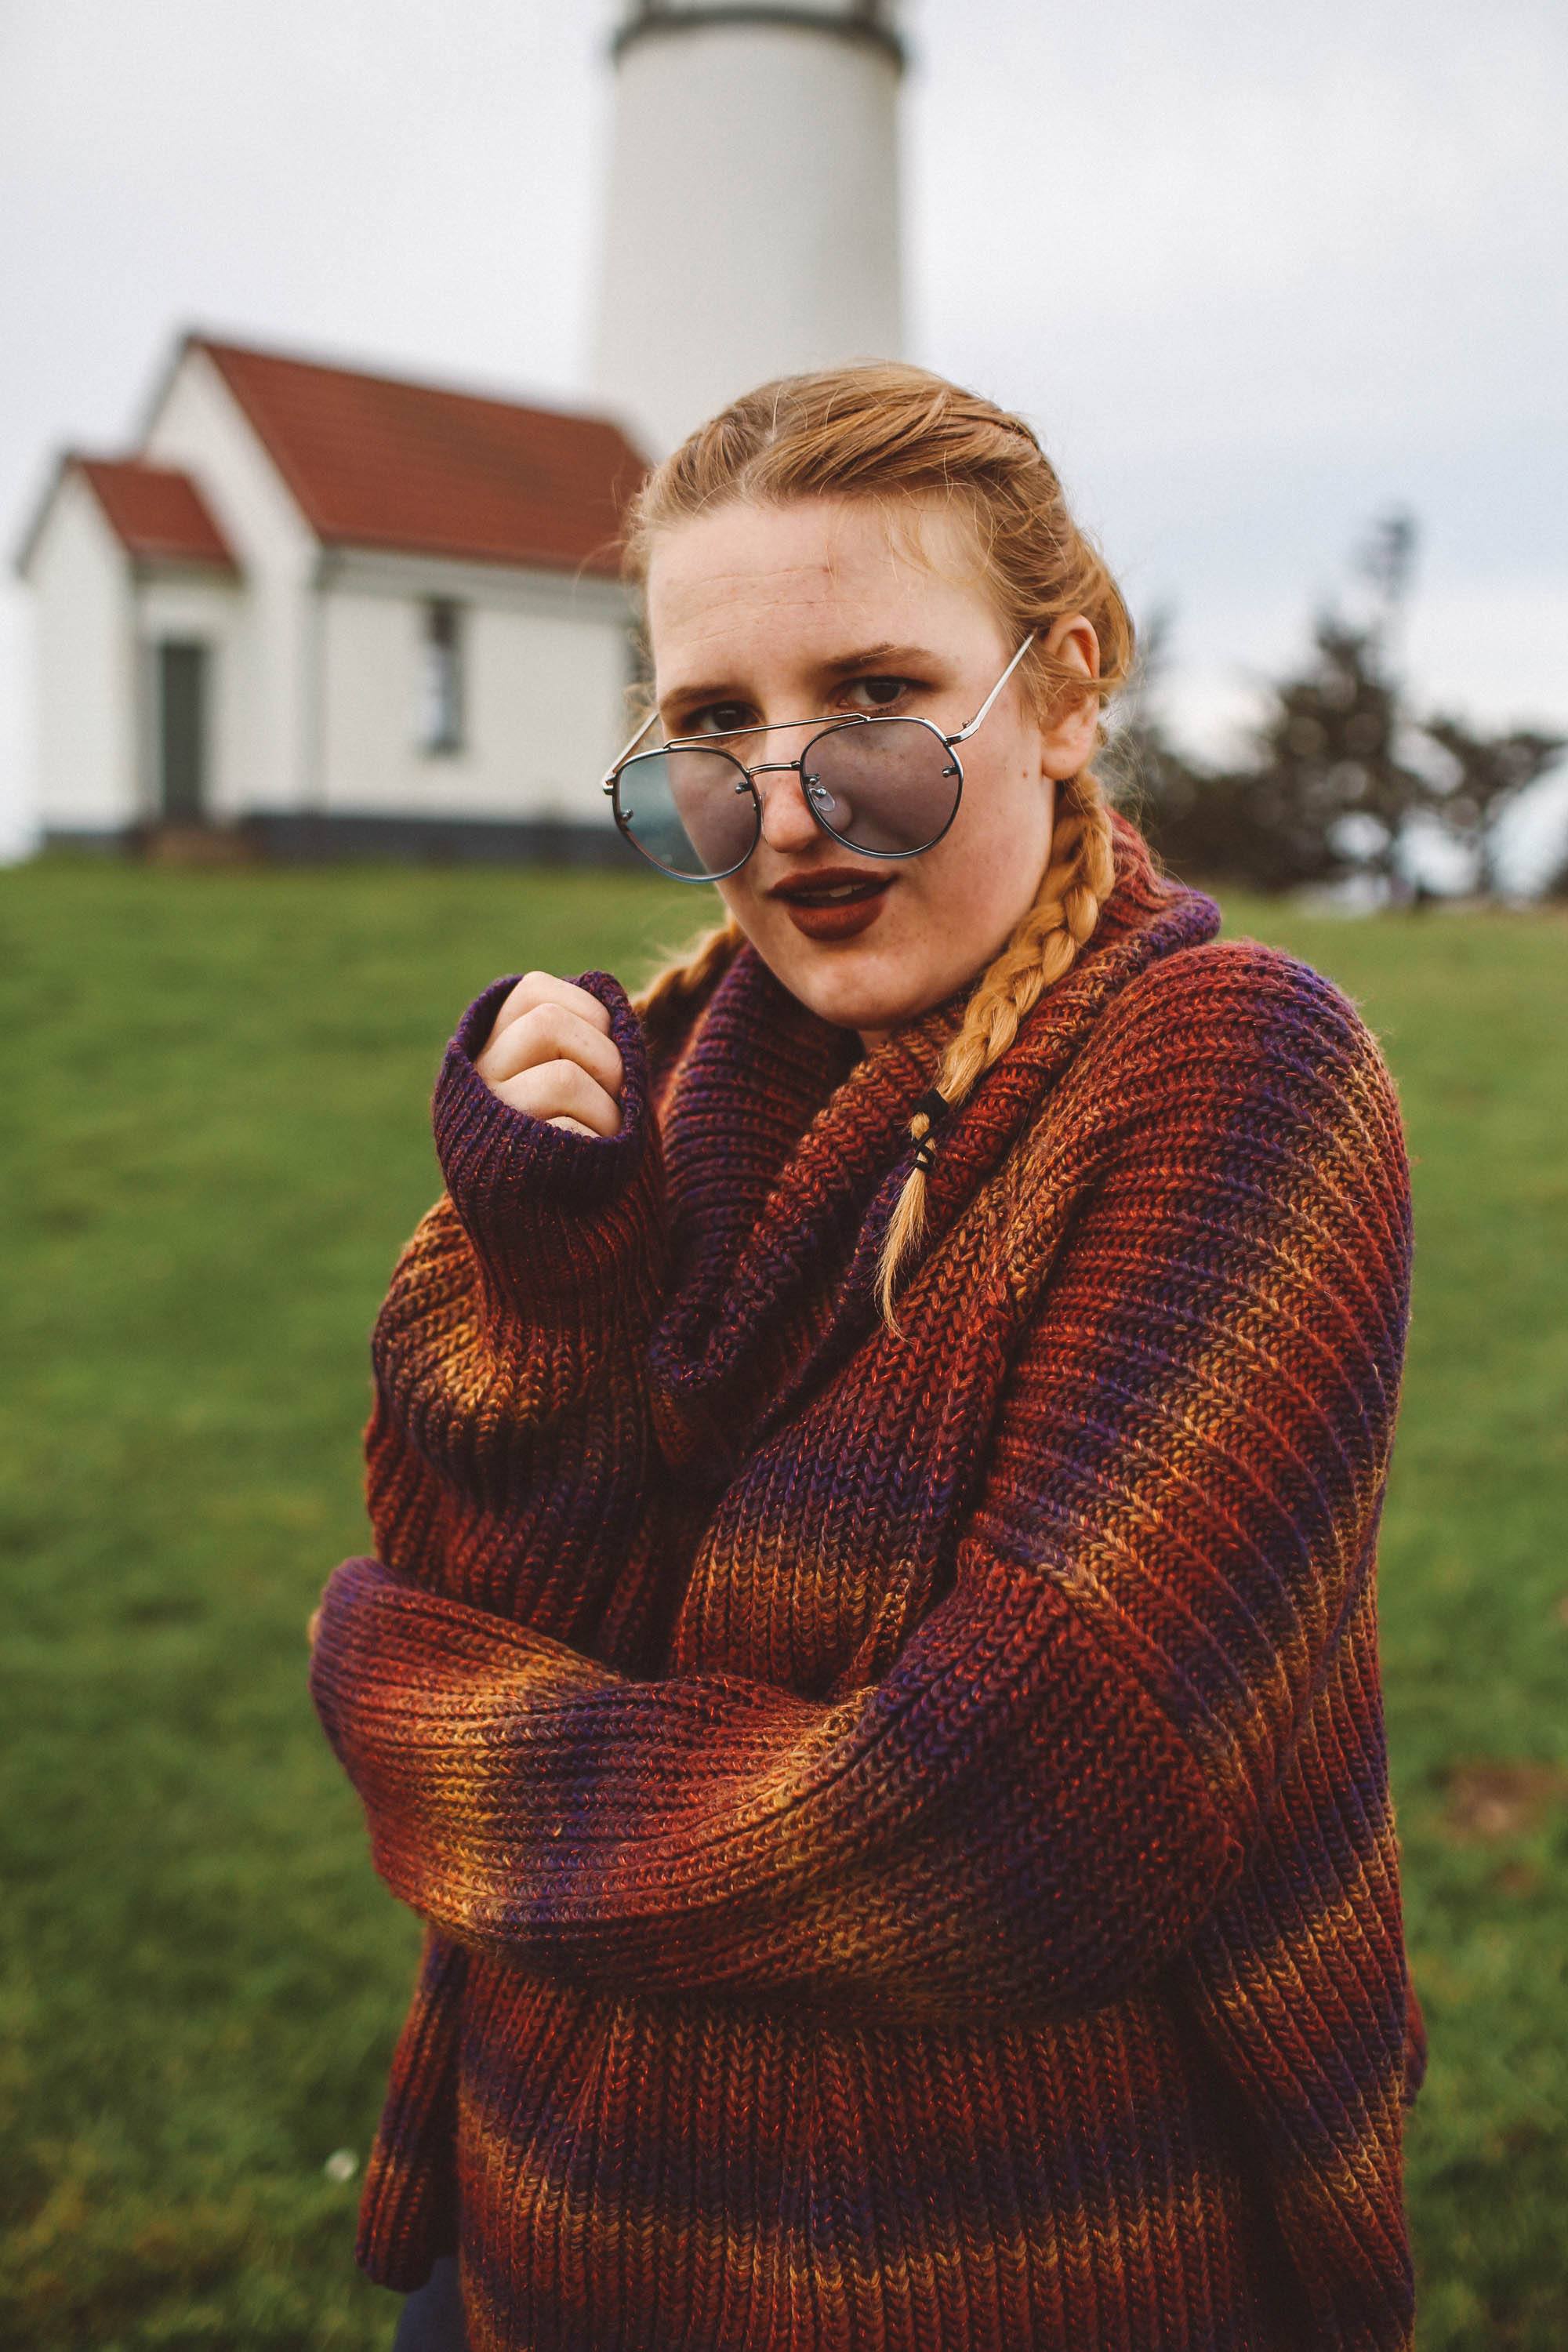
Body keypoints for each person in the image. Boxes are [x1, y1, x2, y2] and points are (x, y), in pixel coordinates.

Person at [309, 363, 1425, 2352]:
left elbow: (1021, 1830)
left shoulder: (1233, 1077)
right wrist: (548, 1279)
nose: (796, 808)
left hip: (1034, 2277)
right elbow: (508, 1589)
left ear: (1064, 695)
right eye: (712, 735)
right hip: (540, 2248)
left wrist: (435, 1736)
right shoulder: (619, 1103)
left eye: (882, 705)